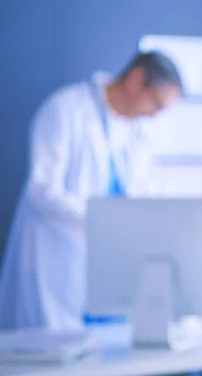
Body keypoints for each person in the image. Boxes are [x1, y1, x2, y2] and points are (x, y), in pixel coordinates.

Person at [0, 52, 182, 331]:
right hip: (56, 258)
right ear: (135, 80)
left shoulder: (138, 134)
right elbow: (42, 189)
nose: (154, 115)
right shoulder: (65, 109)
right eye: (156, 103)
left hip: (107, 266)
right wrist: (101, 221)